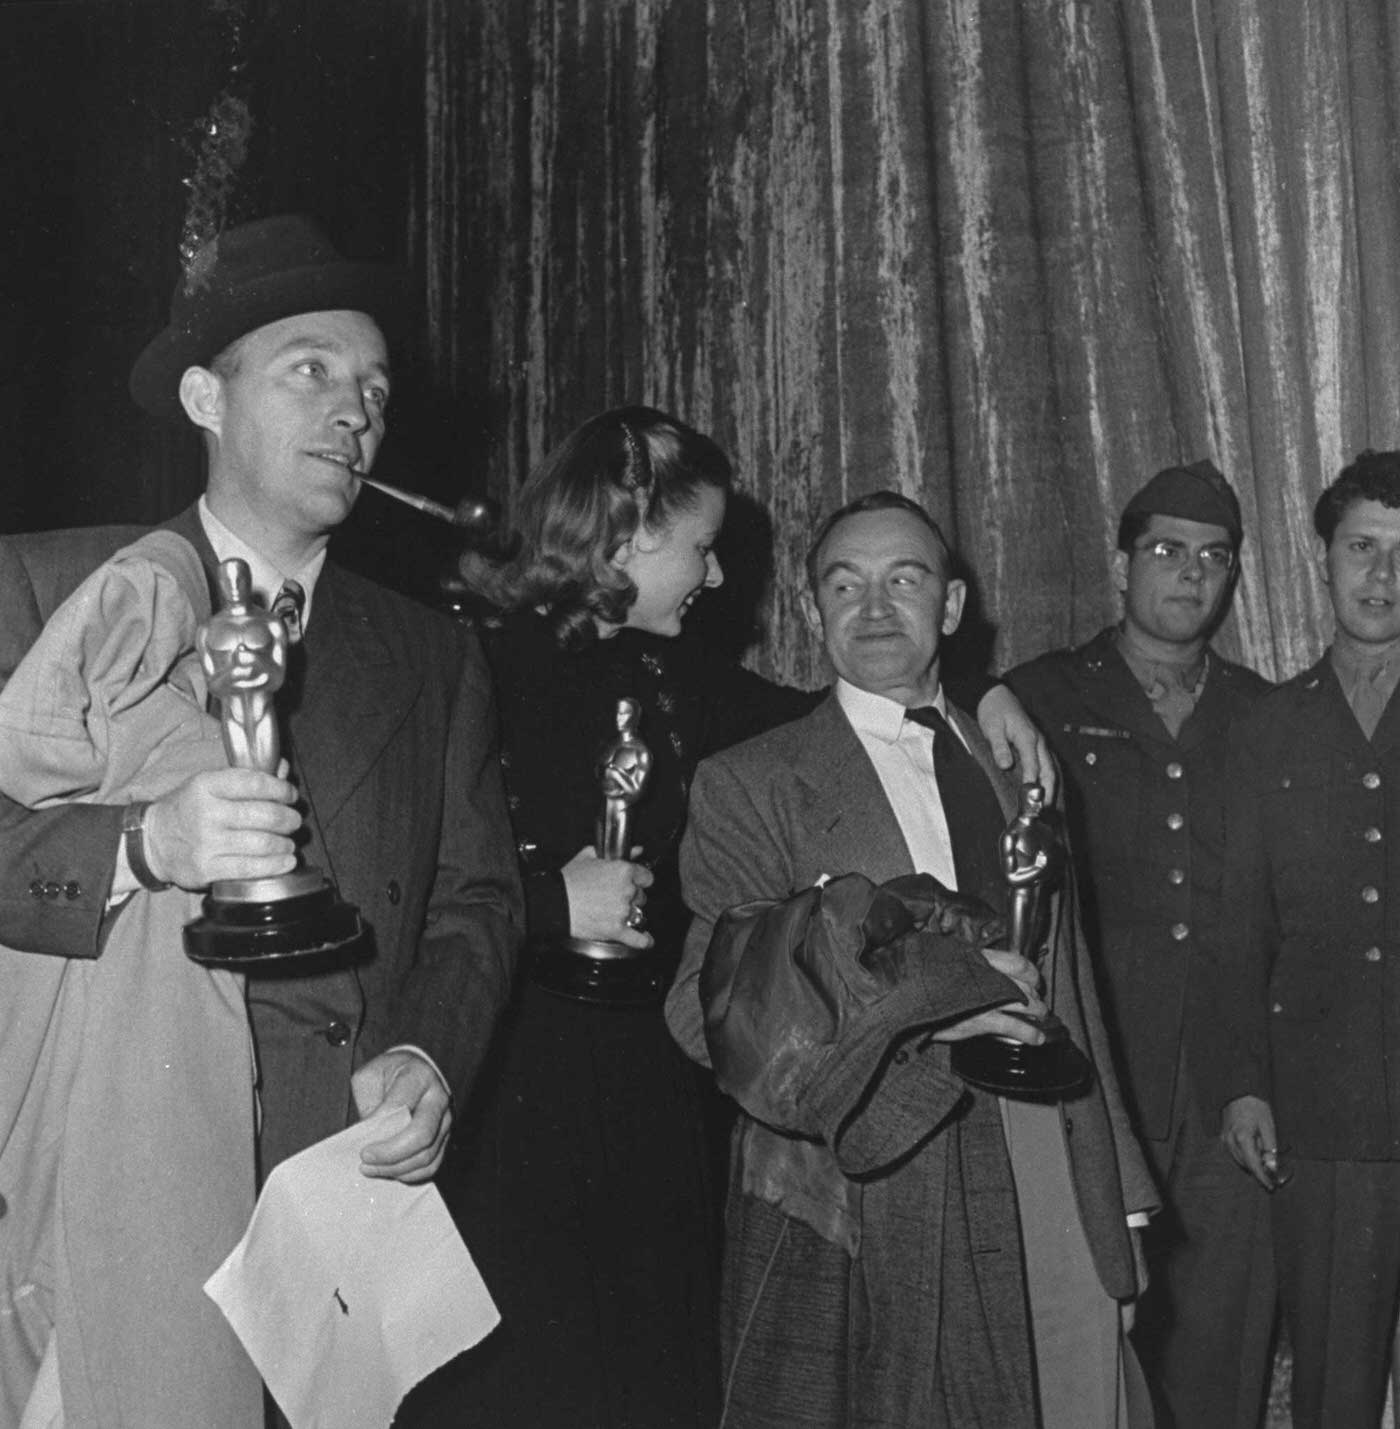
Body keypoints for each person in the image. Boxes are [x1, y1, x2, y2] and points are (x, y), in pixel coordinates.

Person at [411, 410, 1056, 1428]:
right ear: (627, 529)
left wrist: (981, 696)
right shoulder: (465, 661)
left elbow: (847, 712)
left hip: (648, 1093)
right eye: (701, 549)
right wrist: (546, 904)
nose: (714, 580)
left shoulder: (681, 676)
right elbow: (402, 878)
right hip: (511, 1086)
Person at [0, 214, 523, 1423]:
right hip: (103, 1191)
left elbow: (478, 898)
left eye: (374, 390)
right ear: (204, 395)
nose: (355, 412)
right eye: (311, 371)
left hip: (324, 1202)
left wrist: (432, 1056)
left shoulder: (433, 652)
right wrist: (138, 845)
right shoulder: (49, 592)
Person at [667, 490, 1157, 1428]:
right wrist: (932, 1006)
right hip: (871, 1176)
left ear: (954, 607)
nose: (875, 607)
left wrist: (1120, 1195)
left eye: (905, 579)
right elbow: (705, 1011)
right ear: (814, 612)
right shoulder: (753, 780)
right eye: (844, 585)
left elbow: (1077, 983)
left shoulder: (1020, 763)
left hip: (1048, 1157)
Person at [1004, 461, 1275, 1428]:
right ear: (1121, 566)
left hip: (1227, 1087)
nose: (1190, 574)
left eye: (1214, 557)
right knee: (1086, 1350)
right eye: (1166, 550)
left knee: (1223, 1347)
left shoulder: (1263, 714)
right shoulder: (1034, 697)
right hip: (1090, 1075)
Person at [1206, 449, 1400, 1428]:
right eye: (1361, 547)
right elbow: (1239, 923)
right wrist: (1244, 1079)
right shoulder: (1267, 727)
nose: (1381, 575)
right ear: (1322, 558)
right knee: (1331, 1383)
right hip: (1324, 1110)